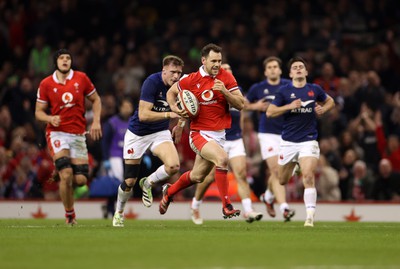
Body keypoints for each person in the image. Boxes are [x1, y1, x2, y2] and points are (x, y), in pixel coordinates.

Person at [161, 43, 244, 219]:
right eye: (213, 60)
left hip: (219, 135)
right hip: (199, 133)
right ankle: (226, 206)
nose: (217, 64)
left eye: (219, 61)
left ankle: (169, 192)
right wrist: (175, 109)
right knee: (222, 159)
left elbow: (241, 104)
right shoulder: (190, 79)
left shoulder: (226, 77)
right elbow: (171, 93)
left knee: (198, 176)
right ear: (203, 60)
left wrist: (225, 92)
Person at [112, 55, 184, 227]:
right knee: (129, 181)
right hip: (137, 134)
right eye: (173, 72)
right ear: (164, 70)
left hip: (160, 132)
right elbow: (144, 115)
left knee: (174, 166)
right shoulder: (152, 82)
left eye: (179, 73)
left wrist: (180, 125)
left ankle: (148, 182)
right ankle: (119, 212)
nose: (176, 76)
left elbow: (186, 107)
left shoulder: (180, 87)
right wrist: (169, 114)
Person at [189, 63, 263, 224]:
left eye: (229, 70)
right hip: (212, 139)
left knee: (241, 174)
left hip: (234, 139)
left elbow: (242, 115)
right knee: (206, 178)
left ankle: (248, 210)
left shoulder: (236, 92)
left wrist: (242, 137)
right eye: (225, 69)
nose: (227, 72)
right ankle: (195, 206)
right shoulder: (209, 90)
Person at [35, 49, 102, 225]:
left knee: (80, 181)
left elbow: (96, 99)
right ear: (56, 62)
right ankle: (70, 215)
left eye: (68, 58)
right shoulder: (46, 84)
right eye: (62, 58)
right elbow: (38, 112)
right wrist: (50, 118)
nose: (65, 61)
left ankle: (62, 168)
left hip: (78, 134)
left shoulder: (81, 78)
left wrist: (96, 122)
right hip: (57, 133)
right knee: (66, 175)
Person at [266, 56, 335, 227]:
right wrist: (289, 107)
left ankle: (309, 217)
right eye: (295, 67)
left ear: (306, 72)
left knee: (308, 176)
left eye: (301, 67)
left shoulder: (314, 89)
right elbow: (270, 112)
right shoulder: (283, 91)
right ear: (290, 73)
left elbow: (330, 101)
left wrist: (323, 109)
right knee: (281, 180)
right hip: (288, 142)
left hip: (308, 140)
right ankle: (292, 168)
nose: (298, 69)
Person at [245, 56, 295, 222]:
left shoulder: (289, 85)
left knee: (284, 174)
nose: (273, 69)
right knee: (275, 171)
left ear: (280, 70)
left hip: (288, 134)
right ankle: (284, 208)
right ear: (266, 71)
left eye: (276, 67)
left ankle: (267, 196)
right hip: (267, 134)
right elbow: (242, 103)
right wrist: (255, 106)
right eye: (270, 67)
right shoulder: (258, 88)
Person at [100, 98, 134, 218]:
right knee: (118, 182)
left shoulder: (133, 121)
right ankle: (113, 208)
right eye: (125, 106)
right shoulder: (112, 122)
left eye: (129, 106)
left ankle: (113, 207)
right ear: (120, 108)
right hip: (115, 156)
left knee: (128, 183)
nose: (127, 109)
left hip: (129, 155)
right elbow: (105, 142)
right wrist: (105, 159)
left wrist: (144, 154)